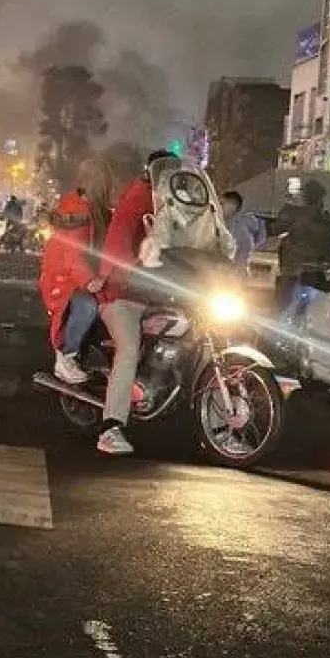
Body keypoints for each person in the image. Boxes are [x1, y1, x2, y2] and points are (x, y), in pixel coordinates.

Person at [93, 149, 183, 456]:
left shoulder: (169, 204)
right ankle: (110, 428)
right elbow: (117, 251)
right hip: (121, 294)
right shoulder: (137, 200)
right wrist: (133, 272)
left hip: (151, 294)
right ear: (153, 173)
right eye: (168, 171)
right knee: (128, 349)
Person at [37, 180, 109, 386]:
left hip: (71, 277)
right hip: (63, 281)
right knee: (87, 306)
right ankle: (66, 357)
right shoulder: (77, 211)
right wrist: (89, 281)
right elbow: (73, 255)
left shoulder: (86, 208)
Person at [276, 178, 330, 321]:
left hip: (293, 273)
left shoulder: (292, 215)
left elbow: (279, 234)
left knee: (284, 312)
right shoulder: (323, 220)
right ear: (320, 199)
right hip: (312, 275)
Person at [220, 188, 266, 268]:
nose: (219, 207)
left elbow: (243, 252)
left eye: (222, 203)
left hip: (235, 273)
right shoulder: (228, 223)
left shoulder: (239, 227)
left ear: (232, 206)